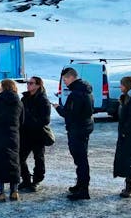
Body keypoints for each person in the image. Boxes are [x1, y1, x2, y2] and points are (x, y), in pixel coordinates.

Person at [57, 67, 94, 201]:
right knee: (80, 160)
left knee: (81, 160)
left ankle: (83, 190)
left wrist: (58, 108)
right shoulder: (85, 90)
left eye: (65, 79)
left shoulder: (76, 94)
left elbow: (70, 113)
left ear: (72, 77)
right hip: (83, 128)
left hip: (78, 129)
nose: (64, 82)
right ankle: (80, 185)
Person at [19, 76, 52, 193]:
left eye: (31, 83)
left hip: (37, 134)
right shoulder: (25, 98)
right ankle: (26, 179)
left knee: (39, 158)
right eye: (28, 83)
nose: (28, 85)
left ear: (38, 85)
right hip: (25, 134)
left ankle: (37, 180)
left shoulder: (43, 100)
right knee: (20, 158)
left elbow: (45, 120)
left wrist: (30, 120)